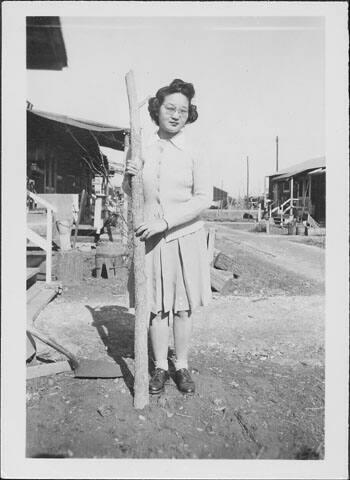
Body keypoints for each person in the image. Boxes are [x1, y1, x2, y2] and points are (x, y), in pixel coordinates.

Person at [123, 78, 212, 395]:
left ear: (190, 115)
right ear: (157, 110)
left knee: (182, 307)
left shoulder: (195, 152)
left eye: (183, 110)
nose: (176, 115)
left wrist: (166, 222)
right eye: (170, 108)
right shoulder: (142, 150)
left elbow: (203, 199)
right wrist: (129, 175)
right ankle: (160, 367)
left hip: (184, 237)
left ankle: (182, 365)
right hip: (152, 242)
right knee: (156, 307)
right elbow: (135, 195)